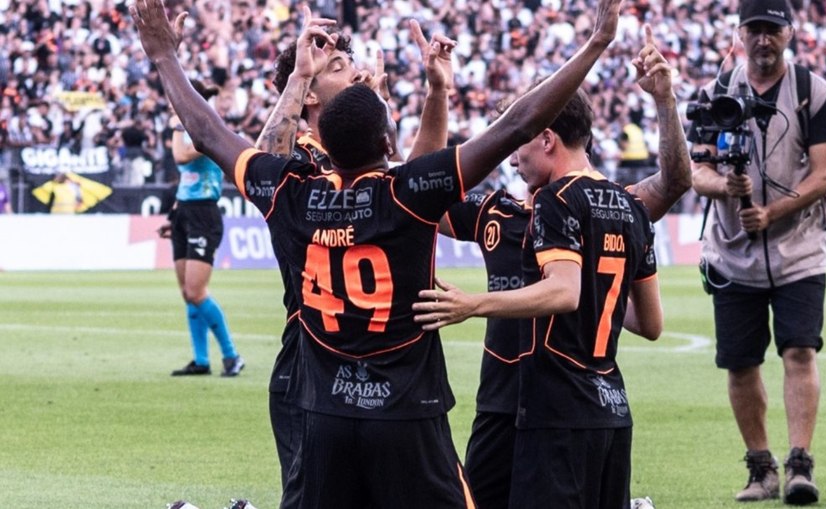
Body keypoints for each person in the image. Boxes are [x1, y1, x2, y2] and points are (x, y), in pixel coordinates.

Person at [130, 0, 623, 506]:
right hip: (407, 413)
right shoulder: (405, 195)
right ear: (388, 144)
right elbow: (518, 124)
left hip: (324, 408)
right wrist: (596, 43)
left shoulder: (290, 192)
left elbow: (207, 133)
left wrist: (164, 56)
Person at [437, 24, 689, 509]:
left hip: (550, 402)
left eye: (518, 142)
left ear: (547, 138)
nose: (512, 159)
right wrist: (439, 93)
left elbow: (565, 291)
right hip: (571, 402)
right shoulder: (622, 208)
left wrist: (473, 304)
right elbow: (650, 323)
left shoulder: (561, 200)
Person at [254, 9, 456, 489]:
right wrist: (301, 76)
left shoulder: (360, 153)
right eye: (339, 66)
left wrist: (411, 106)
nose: (356, 71)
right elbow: (263, 163)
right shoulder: (303, 156)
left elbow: (416, 186)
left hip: (384, 363)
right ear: (308, 95)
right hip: (312, 357)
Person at [687, 0, 826, 504]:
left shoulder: (813, 91)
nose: (763, 39)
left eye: (772, 30)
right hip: (732, 252)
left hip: (800, 248)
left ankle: (799, 465)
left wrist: (772, 212)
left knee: (799, 350)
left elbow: (825, 175)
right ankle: (761, 469)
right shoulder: (715, 94)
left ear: (790, 33)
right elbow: (697, 171)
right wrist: (725, 188)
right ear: (739, 33)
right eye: (754, 29)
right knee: (740, 363)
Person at [159, 79, 244, 378]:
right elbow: (186, 178)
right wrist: (173, 216)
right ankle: (201, 360)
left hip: (204, 214)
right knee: (188, 293)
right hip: (184, 212)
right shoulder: (188, 129)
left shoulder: (205, 129)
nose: (171, 105)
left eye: (174, 99)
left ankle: (231, 356)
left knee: (196, 291)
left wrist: (176, 125)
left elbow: (181, 156)